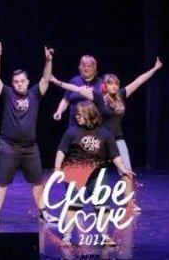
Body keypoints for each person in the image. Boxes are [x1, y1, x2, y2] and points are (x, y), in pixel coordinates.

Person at [49, 57, 162, 212]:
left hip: (116, 137)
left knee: (126, 169)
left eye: (116, 83)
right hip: (100, 139)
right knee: (86, 168)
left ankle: (129, 202)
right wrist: (56, 81)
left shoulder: (122, 94)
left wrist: (155, 69)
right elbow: (75, 89)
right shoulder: (98, 96)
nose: (114, 86)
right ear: (104, 86)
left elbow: (139, 80)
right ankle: (77, 200)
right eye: (110, 83)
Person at [0, 43, 57, 224]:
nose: (19, 84)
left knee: (37, 181)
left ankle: (43, 212)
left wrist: (49, 61)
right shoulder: (8, 94)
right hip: (8, 145)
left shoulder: (34, 94)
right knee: (2, 181)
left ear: (27, 81)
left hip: (30, 147)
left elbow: (46, 80)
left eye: (22, 81)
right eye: (16, 81)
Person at [52, 101, 135, 246]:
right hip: (75, 174)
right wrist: (57, 168)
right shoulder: (72, 131)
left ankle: (104, 237)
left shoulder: (105, 133)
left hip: (98, 175)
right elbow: (61, 150)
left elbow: (114, 154)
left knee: (102, 206)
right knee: (73, 205)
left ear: (90, 114)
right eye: (76, 114)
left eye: (80, 114)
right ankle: (67, 237)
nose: (77, 117)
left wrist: (122, 168)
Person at [52, 55, 102, 126]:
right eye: (83, 66)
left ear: (94, 68)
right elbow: (66, 100)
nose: (86, 68)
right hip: (74, 124)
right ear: (80, 67)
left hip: (92, 125)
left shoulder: (99, 83)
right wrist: (59, 111)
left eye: (89, 66)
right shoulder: (74, 81)